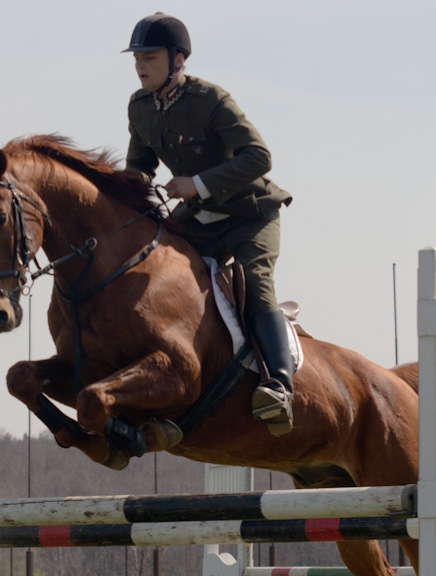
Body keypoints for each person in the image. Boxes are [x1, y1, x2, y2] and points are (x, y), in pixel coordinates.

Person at [123, 12, 296, 435]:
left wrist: (195, 184)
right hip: (198, 220)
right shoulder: (140, 107)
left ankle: (279, 385)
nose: (141, 65)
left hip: (250, 213)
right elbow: (138, 168)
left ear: (178, 59)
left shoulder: (210, 99)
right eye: (137, 58)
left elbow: (259, 157)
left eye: (150, 57)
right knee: (161, 278)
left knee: (255, 282)